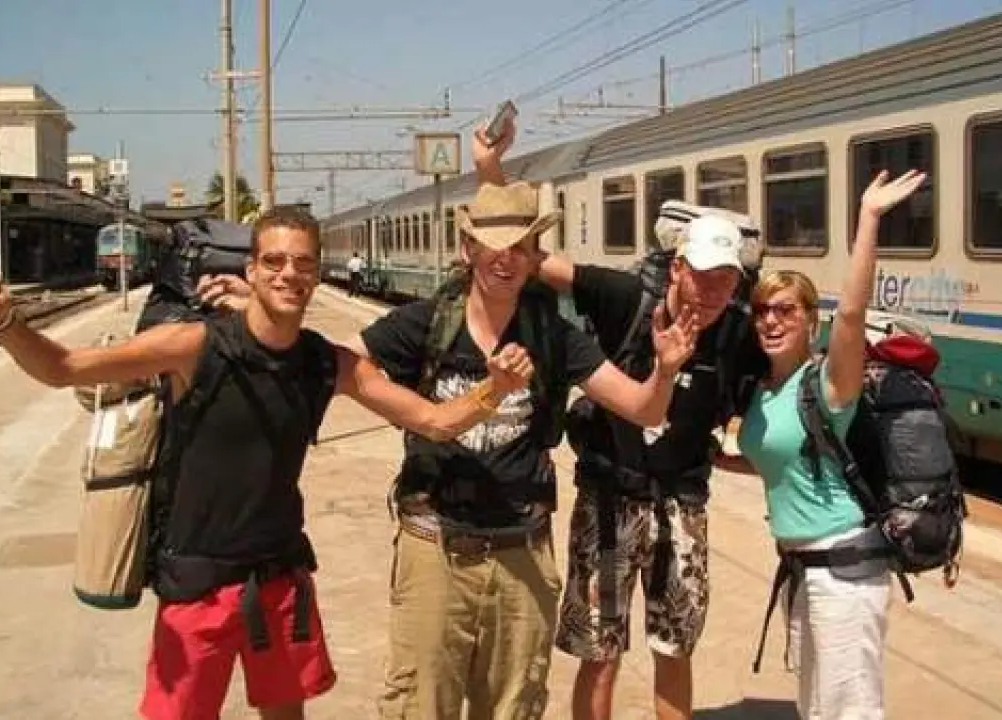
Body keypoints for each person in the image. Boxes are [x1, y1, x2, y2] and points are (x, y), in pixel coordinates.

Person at [0, 206, 537, 720]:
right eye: (275, 261)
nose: (289, 274)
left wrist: (495, 389)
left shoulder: (326, 363)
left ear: (317, 273)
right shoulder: (194, 346)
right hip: (197, 582)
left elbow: (433, 421)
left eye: (303, 263)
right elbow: (63, 368)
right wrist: (7, 324)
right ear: (253, 271)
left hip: (279, 578)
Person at [346, 179, 700, 719]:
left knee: (514, 707)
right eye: (494, 245)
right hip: (436, 548)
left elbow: (644, 409)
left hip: (521, 552)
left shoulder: (553, 335)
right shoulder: (427, 323)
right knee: (422, 705)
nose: (506, 258)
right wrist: (418, 413)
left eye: (520, 246)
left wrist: (665, 371)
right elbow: (342, 364)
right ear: (468, 248)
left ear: (536, 256)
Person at [473, 121, 767, 720]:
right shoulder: (624, 298)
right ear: (677, 268)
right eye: (702, 275)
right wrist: (490, 172)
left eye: (726, 279)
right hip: (607, 497)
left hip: (682, 503)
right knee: (599, 651)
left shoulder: (738, 334)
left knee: (675, 647)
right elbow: (526, 255)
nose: (713, 291)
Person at [719, 169, 927, 720]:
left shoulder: (830, 383)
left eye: (787, 310)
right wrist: (725, 460)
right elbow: (791, 460)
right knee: (815, 708)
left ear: (811, 321)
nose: (771, 321)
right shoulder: (765, 392)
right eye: (763, 311)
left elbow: (852, 313)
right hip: (802, 568)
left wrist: (869, 218)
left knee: (846, 711)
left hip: (844, 570)